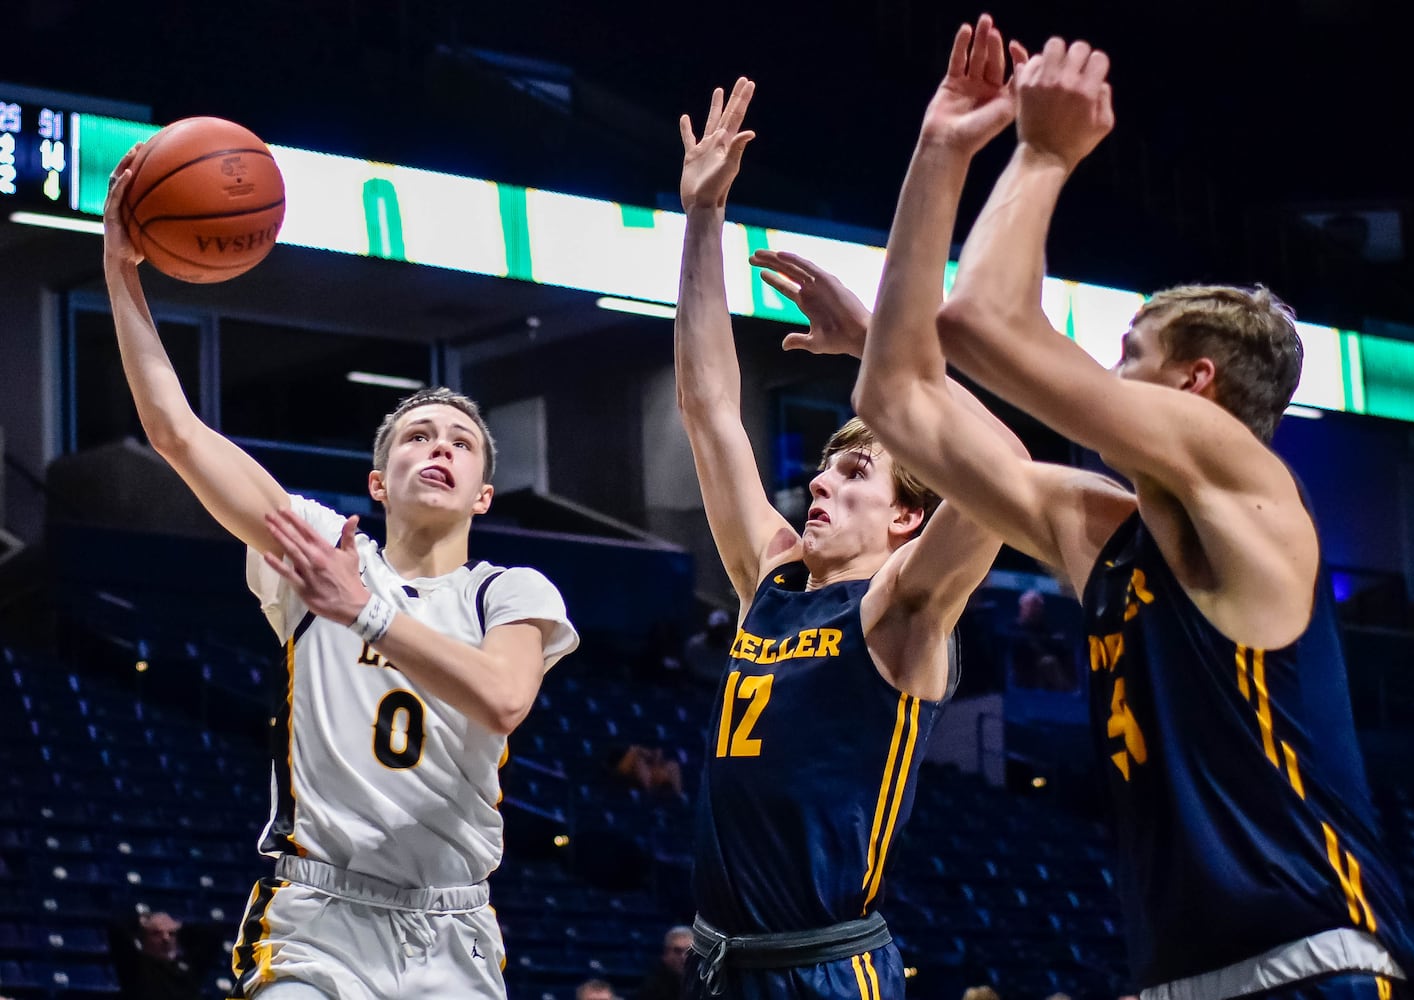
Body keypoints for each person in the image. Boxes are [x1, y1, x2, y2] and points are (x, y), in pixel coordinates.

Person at [852, 24, 1414, 1000]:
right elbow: (897, 395)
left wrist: (1042, 152)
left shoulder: (1244, 476)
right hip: (1176, 977)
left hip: (1313, 967)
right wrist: (941, 150)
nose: (1100, 379)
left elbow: (982, 323)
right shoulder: (1107, 534)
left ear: (1195, 383)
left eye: (1127, 354)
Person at [102, 152, 578, 1000]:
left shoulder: (510, 590)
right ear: (377, 480)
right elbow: (175, 432)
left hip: (454, 926)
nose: (440, 448)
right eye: (418, 437)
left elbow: (505, 699)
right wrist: (118, 265)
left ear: (484, 492)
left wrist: (366, 615)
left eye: (461, 443)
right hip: (318, 916)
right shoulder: (321, 547)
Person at [673, 36, 1025, 998]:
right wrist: (702, 215)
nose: (819, 486)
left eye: (856, 472)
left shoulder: (903, 610)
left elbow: (1002, 474)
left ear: (908, 519)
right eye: (824, 473)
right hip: (720, 961)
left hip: (826, 970)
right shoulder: (772, 580)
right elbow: (709, 409)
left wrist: (879, 344)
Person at [635, 925, 693, 1000]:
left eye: (689, 951)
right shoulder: (652, 987)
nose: (683, 957)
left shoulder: (705, 984)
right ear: (665, 954)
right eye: (677, 951)